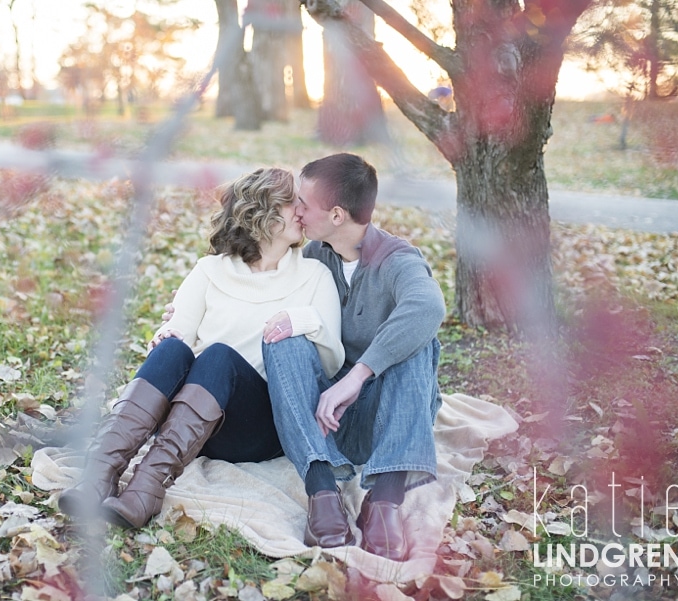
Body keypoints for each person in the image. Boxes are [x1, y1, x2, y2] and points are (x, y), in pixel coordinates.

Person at [59, 167, 345, 529]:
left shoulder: (314, 276)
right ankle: (101, 475)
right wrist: (166, 334)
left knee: (217, 355)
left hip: (261, 427)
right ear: (263, 214)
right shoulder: (210, 270)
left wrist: (301, 320)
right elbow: (178, 327)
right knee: (173, 349)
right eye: (294, 203)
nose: (302, 212)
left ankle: (148, 487)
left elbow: (332, 361)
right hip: (197, 426)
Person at [261, 153, 445, 561]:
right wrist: (188, 311)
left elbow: (428, 308)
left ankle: (384, 501)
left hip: (387, 421)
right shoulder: (312, 257)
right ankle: (323, 494)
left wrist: (359, 374)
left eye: (304, 204)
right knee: (282, 334)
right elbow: (259, 293)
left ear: (338, 215)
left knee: (418, 343)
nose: (297, 211)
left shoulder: (397, 260)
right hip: (324, 425)